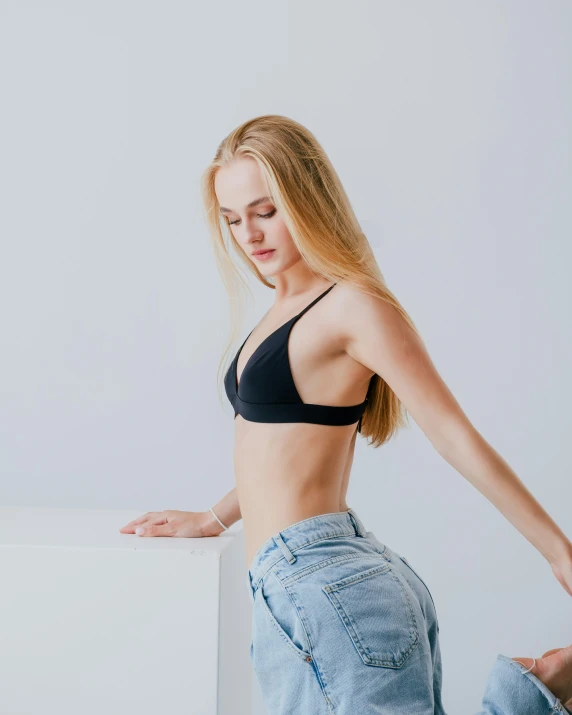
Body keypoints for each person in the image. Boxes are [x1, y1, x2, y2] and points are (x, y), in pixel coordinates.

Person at [120, 115, 572, 713]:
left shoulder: (352, 307)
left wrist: (559, 554)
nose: (249, 234)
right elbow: (276, 452)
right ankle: (540, 687)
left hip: (328, 589)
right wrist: (212, 517)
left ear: (307, 201)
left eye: (265, 211)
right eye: (232, 220)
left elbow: (454, 434)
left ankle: (539, 688)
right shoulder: (283, 305)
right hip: (309, 582)